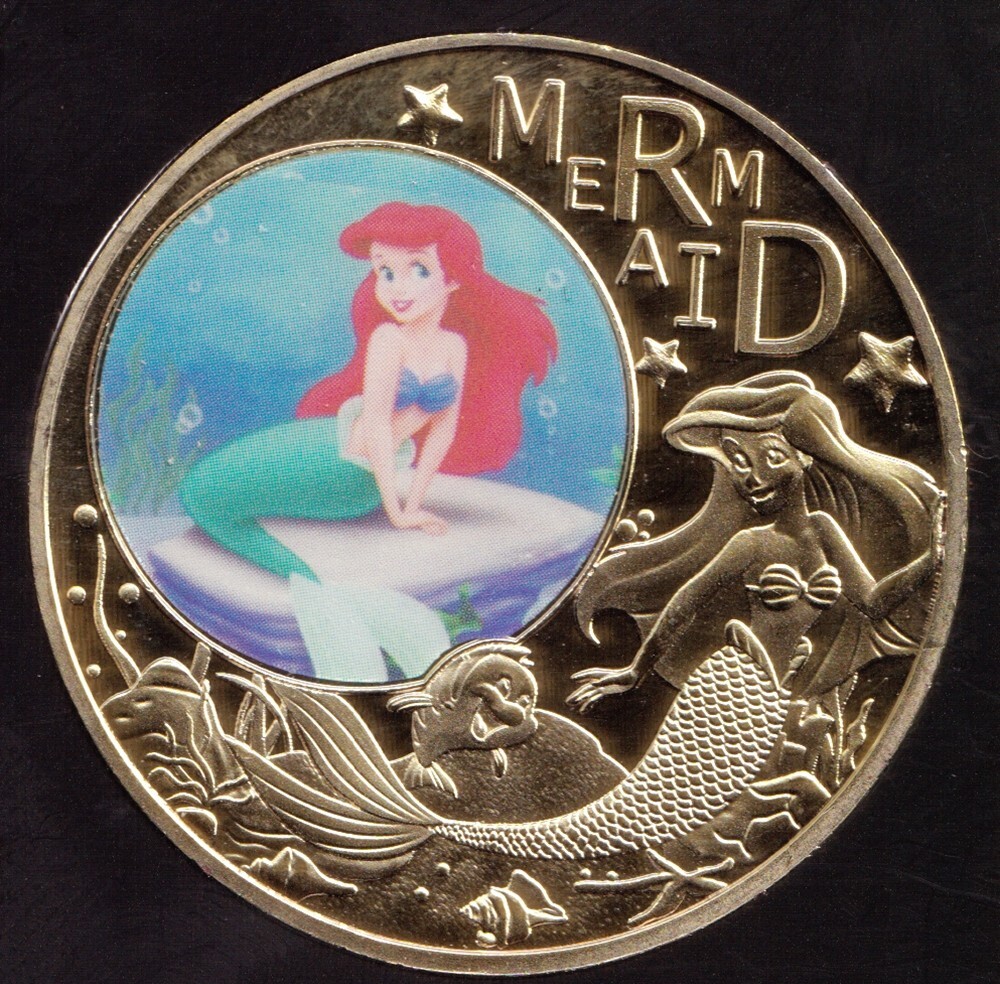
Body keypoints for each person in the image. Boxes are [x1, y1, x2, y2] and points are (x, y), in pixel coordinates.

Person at [178, 202, 558, 583]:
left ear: (453, 279)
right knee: (202, 489)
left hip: (348, 478)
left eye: (419, 270)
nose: (397, 287)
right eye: (385, 271)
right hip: (337, 449)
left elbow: (443, 429)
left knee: (205, 492)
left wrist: (411, 505)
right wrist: (397, 512)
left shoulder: (453, 346)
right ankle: (295, 571)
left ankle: (300, 574)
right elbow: (375, 424)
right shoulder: (388, 338)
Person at [568, 371, 945, 709]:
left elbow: (873, 603)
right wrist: (636, 670)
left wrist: (932, 558)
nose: (752, 477)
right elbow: (684, 603)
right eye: (739, 461)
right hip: (740, 688)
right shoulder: (750, 543)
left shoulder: (823, 529)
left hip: (792, 692)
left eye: (772, 457)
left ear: (805, 457)